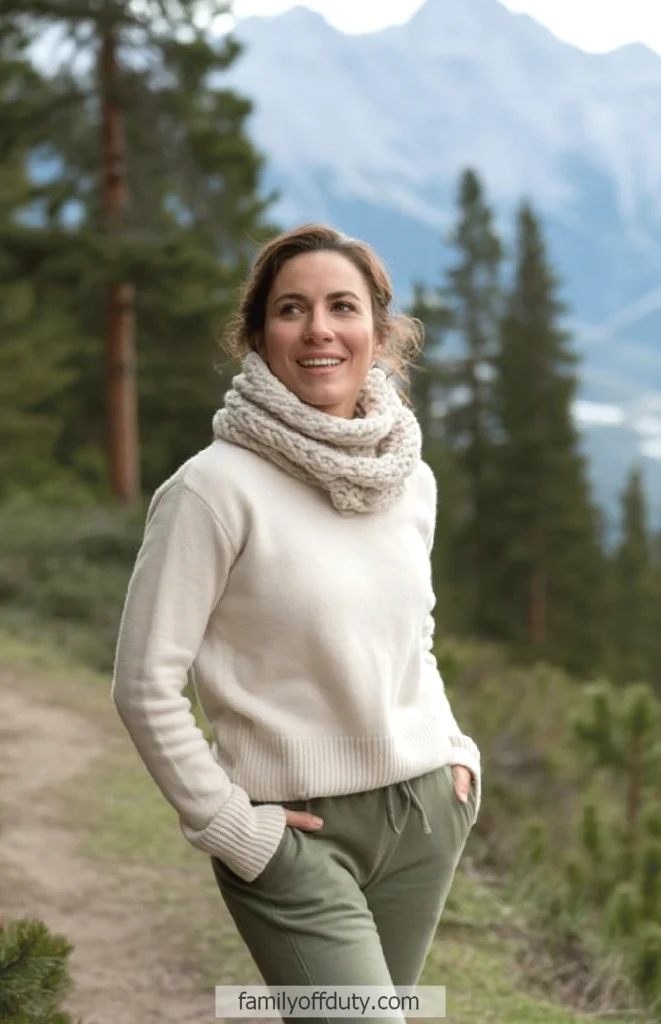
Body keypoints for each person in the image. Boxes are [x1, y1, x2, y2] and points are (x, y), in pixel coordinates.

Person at [111, 223, 481, 1021]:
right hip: (294, 835)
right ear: (256, 336)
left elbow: (413, 634)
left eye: (341, 306)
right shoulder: (210, 491)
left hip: (422, 814)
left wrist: (453, 756)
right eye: (290, 309)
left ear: (379, 335)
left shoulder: (408, 479)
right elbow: (144, 684)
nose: (318, 328)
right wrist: (229, 826)